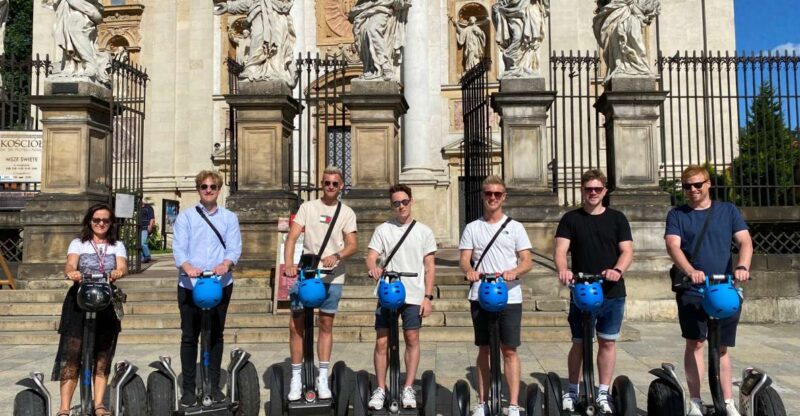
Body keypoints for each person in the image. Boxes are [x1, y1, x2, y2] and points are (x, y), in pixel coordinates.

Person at [665, 165, 752, 416]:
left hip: (724, 287)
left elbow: (744, 240)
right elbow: (673, 245)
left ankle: (727, 402)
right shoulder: (677, 214)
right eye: (687, 186)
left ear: (708, 184)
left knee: (722, 346)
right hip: (692, 288)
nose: (692, 190)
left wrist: (743, 266)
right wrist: (690, 270)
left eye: (697, 185)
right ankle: (694, 401)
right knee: (696, 343)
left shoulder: (727, 211)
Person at [554, 169, 633, 414]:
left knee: (607, 342)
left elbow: (627, 251)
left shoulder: (617, 218)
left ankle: (602, 392)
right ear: (582, 190)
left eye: (597, 189)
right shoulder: (571, 219)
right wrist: (564, 270)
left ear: (604, 191)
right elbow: (560, 250)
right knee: (579, 342)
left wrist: (617, 270)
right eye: (589, 189)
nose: (593, 193)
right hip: (582, 290)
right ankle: (573, 390)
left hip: (611, 290)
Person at [459, 175, 533, 416]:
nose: (493, 198)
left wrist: (514, 272)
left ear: (504, 197)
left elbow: (527, 261)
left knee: (509, 349)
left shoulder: (516, 227)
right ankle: (482, 401)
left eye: (497, 194)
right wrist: (469, 271)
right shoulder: (472, 227)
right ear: (482, 196)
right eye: (489, 193)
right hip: (481, 294)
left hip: (509, 296)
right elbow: (464, 258)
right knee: (484, 349)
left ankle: (512, 404)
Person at [283, 166, 358, 401]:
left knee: (326, 323)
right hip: (307, 274)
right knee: (296, 325)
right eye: (327, 183)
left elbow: (353, 244)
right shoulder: (308, 207)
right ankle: (296, 377)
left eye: (335, 183)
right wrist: (288, 264)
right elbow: (293, 237)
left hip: (332, 276)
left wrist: (337, 255)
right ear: (321, 184)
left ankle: (322, 375)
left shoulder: (347, 212)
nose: (331, 187)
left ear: (341, 186)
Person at [172, 170, 242, 407]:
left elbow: (234, 247)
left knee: (215, 335)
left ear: (219, 190)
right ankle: (189, 389)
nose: (209, 190)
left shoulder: (229, 217)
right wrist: (187, 266)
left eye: (213, 187)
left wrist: (226, 263)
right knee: (190, 336)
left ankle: (213, 385)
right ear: (198, 189)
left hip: (219, 284)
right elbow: (179, 248)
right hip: (191, 284)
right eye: (204, 187)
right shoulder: (186, 217)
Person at [365, 184, 437, 410]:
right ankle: (380, 387)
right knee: (382, 341)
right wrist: (374, 268)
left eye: (404, 201)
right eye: (396, 203)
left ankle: (407, 386)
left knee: (412, 338)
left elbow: (430, 266)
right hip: (388, 292)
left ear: (411, 201)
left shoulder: (423, 231)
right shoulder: (383, 229)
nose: (401, 206)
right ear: (391, 205)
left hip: (414, 293)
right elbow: (371, 256)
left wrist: (427, 297)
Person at [52, 203, 128, 416]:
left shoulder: (117, 245)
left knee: (102, 355)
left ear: (111, 223)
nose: (101, 224)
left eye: (105, 220)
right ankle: (64, 407)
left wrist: (118, 272)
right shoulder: (79, 243)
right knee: (72, 353)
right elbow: (70, 264)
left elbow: (123, 266)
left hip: (106, 300)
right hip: (79, 300)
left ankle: (99, 404)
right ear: (89, 222)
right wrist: (71, 272)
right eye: (97, 220)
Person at [213, 0, 297, 86]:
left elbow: (286, 3)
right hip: (258, 16)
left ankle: (275, 71)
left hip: (276, 15)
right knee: (256, 44)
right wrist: (229, 6)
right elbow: (248, 2)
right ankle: (252, 70)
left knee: (277, 49)